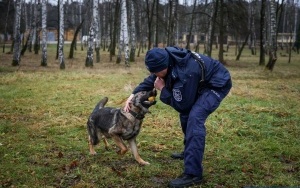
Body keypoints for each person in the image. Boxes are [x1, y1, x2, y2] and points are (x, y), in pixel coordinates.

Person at [124, 46, 232, 188]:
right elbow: (153, 78)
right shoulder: (166, 60)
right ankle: (189, 151)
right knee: (187, 115)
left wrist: (162, 89)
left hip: (217, 84)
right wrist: (132, 96)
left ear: (165, 65)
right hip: (200, 80)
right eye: (152, 71)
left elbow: (182, 105)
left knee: (194, 117)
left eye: (156, 71)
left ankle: (193, 174)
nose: (154, 74)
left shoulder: (186, 73)